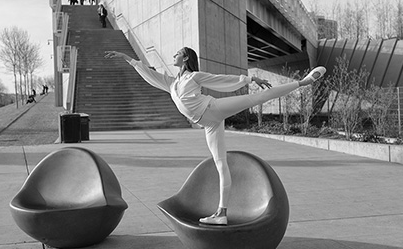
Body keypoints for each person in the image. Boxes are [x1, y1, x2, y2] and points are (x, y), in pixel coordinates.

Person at [105, 47, 326, 225]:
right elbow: (150, 75)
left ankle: (304, 82)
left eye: (177, 53)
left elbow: (220, 79)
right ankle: (221, 213)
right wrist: (126, 57)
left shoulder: (194, 77)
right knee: (221, 164)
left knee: (257, 98)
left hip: (213, 109)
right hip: (208, 124)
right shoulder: (172, 84)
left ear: (185, 58)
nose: (173, 55)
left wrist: (249, 80)